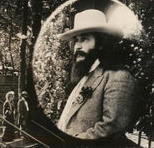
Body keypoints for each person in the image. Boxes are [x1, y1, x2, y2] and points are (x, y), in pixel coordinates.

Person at [57, 9, 139, 141]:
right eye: (76, 40)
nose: (77, 46)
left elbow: (112, 127)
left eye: (84, 39)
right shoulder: (84, 76)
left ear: (101, 43)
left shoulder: (118, 77)